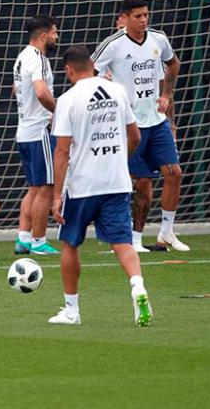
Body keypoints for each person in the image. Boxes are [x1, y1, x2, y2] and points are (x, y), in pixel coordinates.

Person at [49, 45, 152, 326]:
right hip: (116, 181)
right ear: (93, 64)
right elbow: (135, 137)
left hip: (83, 185)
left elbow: (61, 151)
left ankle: (72, 310)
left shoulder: (68, 100)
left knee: (70, 243)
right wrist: (121, 160)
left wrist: (57, 195)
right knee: (122, 242)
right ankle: (137, 285)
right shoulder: (117, 91)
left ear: (69, 69)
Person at [92, 0, 189, 253]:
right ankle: (134, 239)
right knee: (142, 183)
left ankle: (166, 233)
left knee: (174, 173)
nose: (144, 20)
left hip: (156, 122)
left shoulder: (159, 39)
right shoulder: (112, 44)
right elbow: (88, 73)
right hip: (128, 124)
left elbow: (173, 63)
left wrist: (167, 95)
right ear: (125, 18)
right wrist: (106, 87)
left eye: (146, 14)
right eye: (138, 16)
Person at [12, 15, 60, 255]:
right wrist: (58, 111)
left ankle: (23, 238)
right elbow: (41, 92)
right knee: (45, 189)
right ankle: (39, 241)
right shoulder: (38, 59)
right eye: (54, 33)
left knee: (34, 188)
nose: (56, 37)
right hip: (39, 130)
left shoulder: (22, 57)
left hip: (24, 131)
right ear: (43, 35)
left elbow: (17, 89)